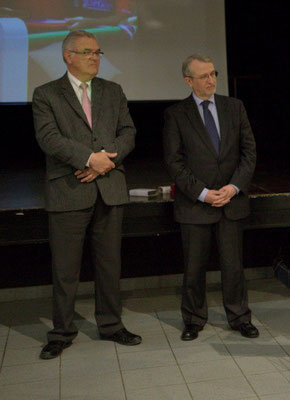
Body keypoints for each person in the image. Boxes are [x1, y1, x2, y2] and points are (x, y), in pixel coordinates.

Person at [33, 30, 141, 359]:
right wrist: (89, 159)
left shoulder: (113, 90)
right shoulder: (46, 94)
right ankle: (62, 332)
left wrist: (104, 163)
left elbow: (128, 132)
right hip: (68, 190)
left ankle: (111, 325)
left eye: (98, 52)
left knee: (109, 264)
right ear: (68, 56)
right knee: (65, 269)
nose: (95, 57)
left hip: (108, 188)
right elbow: (49, 139)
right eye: (88, 52)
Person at [163, 54, 258, 341]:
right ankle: (193, 319)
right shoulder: (177, 114)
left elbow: (249, 152)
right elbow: (174, 162)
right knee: (194, 267)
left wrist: (233, 187)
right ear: (188, 80)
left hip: (232, 200)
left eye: (213, 74)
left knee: (234, 266)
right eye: (203, 76)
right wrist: (203, 193)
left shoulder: (234, 107)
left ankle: (240, 317)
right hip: (195, 204)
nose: (211, 80)